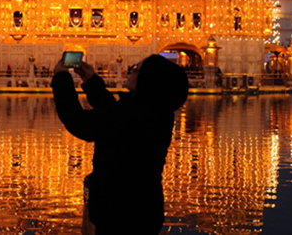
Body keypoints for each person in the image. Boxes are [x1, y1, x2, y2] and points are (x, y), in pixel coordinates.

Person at [52, 54, 189, 234]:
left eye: (137, 70)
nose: (131, 72)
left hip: (120, 215)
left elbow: (80, 123)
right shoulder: (157, 112)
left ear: (149, 80)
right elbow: (112, 113)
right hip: (144, 211)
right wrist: (91, 80)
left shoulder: (133, 114)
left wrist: (61, 78)